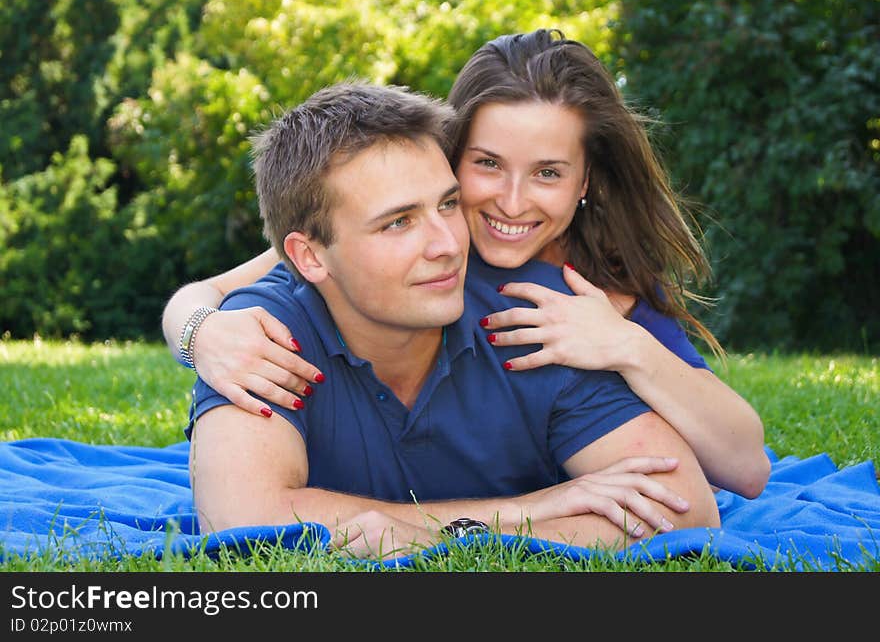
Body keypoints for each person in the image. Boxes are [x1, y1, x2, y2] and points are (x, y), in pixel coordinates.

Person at [165, 29, 768, 499]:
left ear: (587, 180)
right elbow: (218, 290)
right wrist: (203, 333)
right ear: (451, 157)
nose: (510, 201)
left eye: (548, 173)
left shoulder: (607, 289)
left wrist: (625, 345)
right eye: (486, 164)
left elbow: (745, 468)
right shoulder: (407, 243)